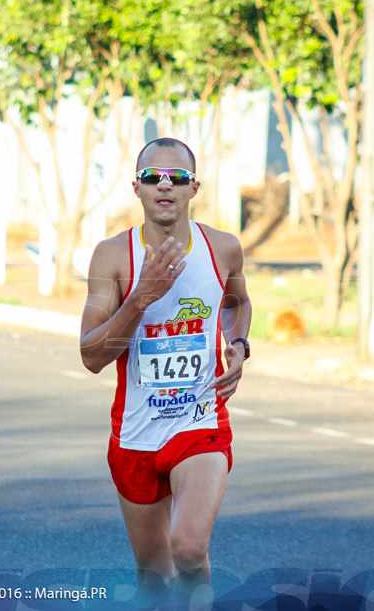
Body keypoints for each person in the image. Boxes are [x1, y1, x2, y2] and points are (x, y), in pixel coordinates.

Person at [80, 138, 252, 608]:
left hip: (200, 423)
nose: (165, 185)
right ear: (136, 187)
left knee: (190, 548)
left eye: (177, 178)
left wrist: (237, 344)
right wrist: (142, 296)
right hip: (136, 432)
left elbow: (237, 302)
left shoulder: (222, 248)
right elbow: (91, 356)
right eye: (153, 176)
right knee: (153, 578)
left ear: (193, 187)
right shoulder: (113, 257)